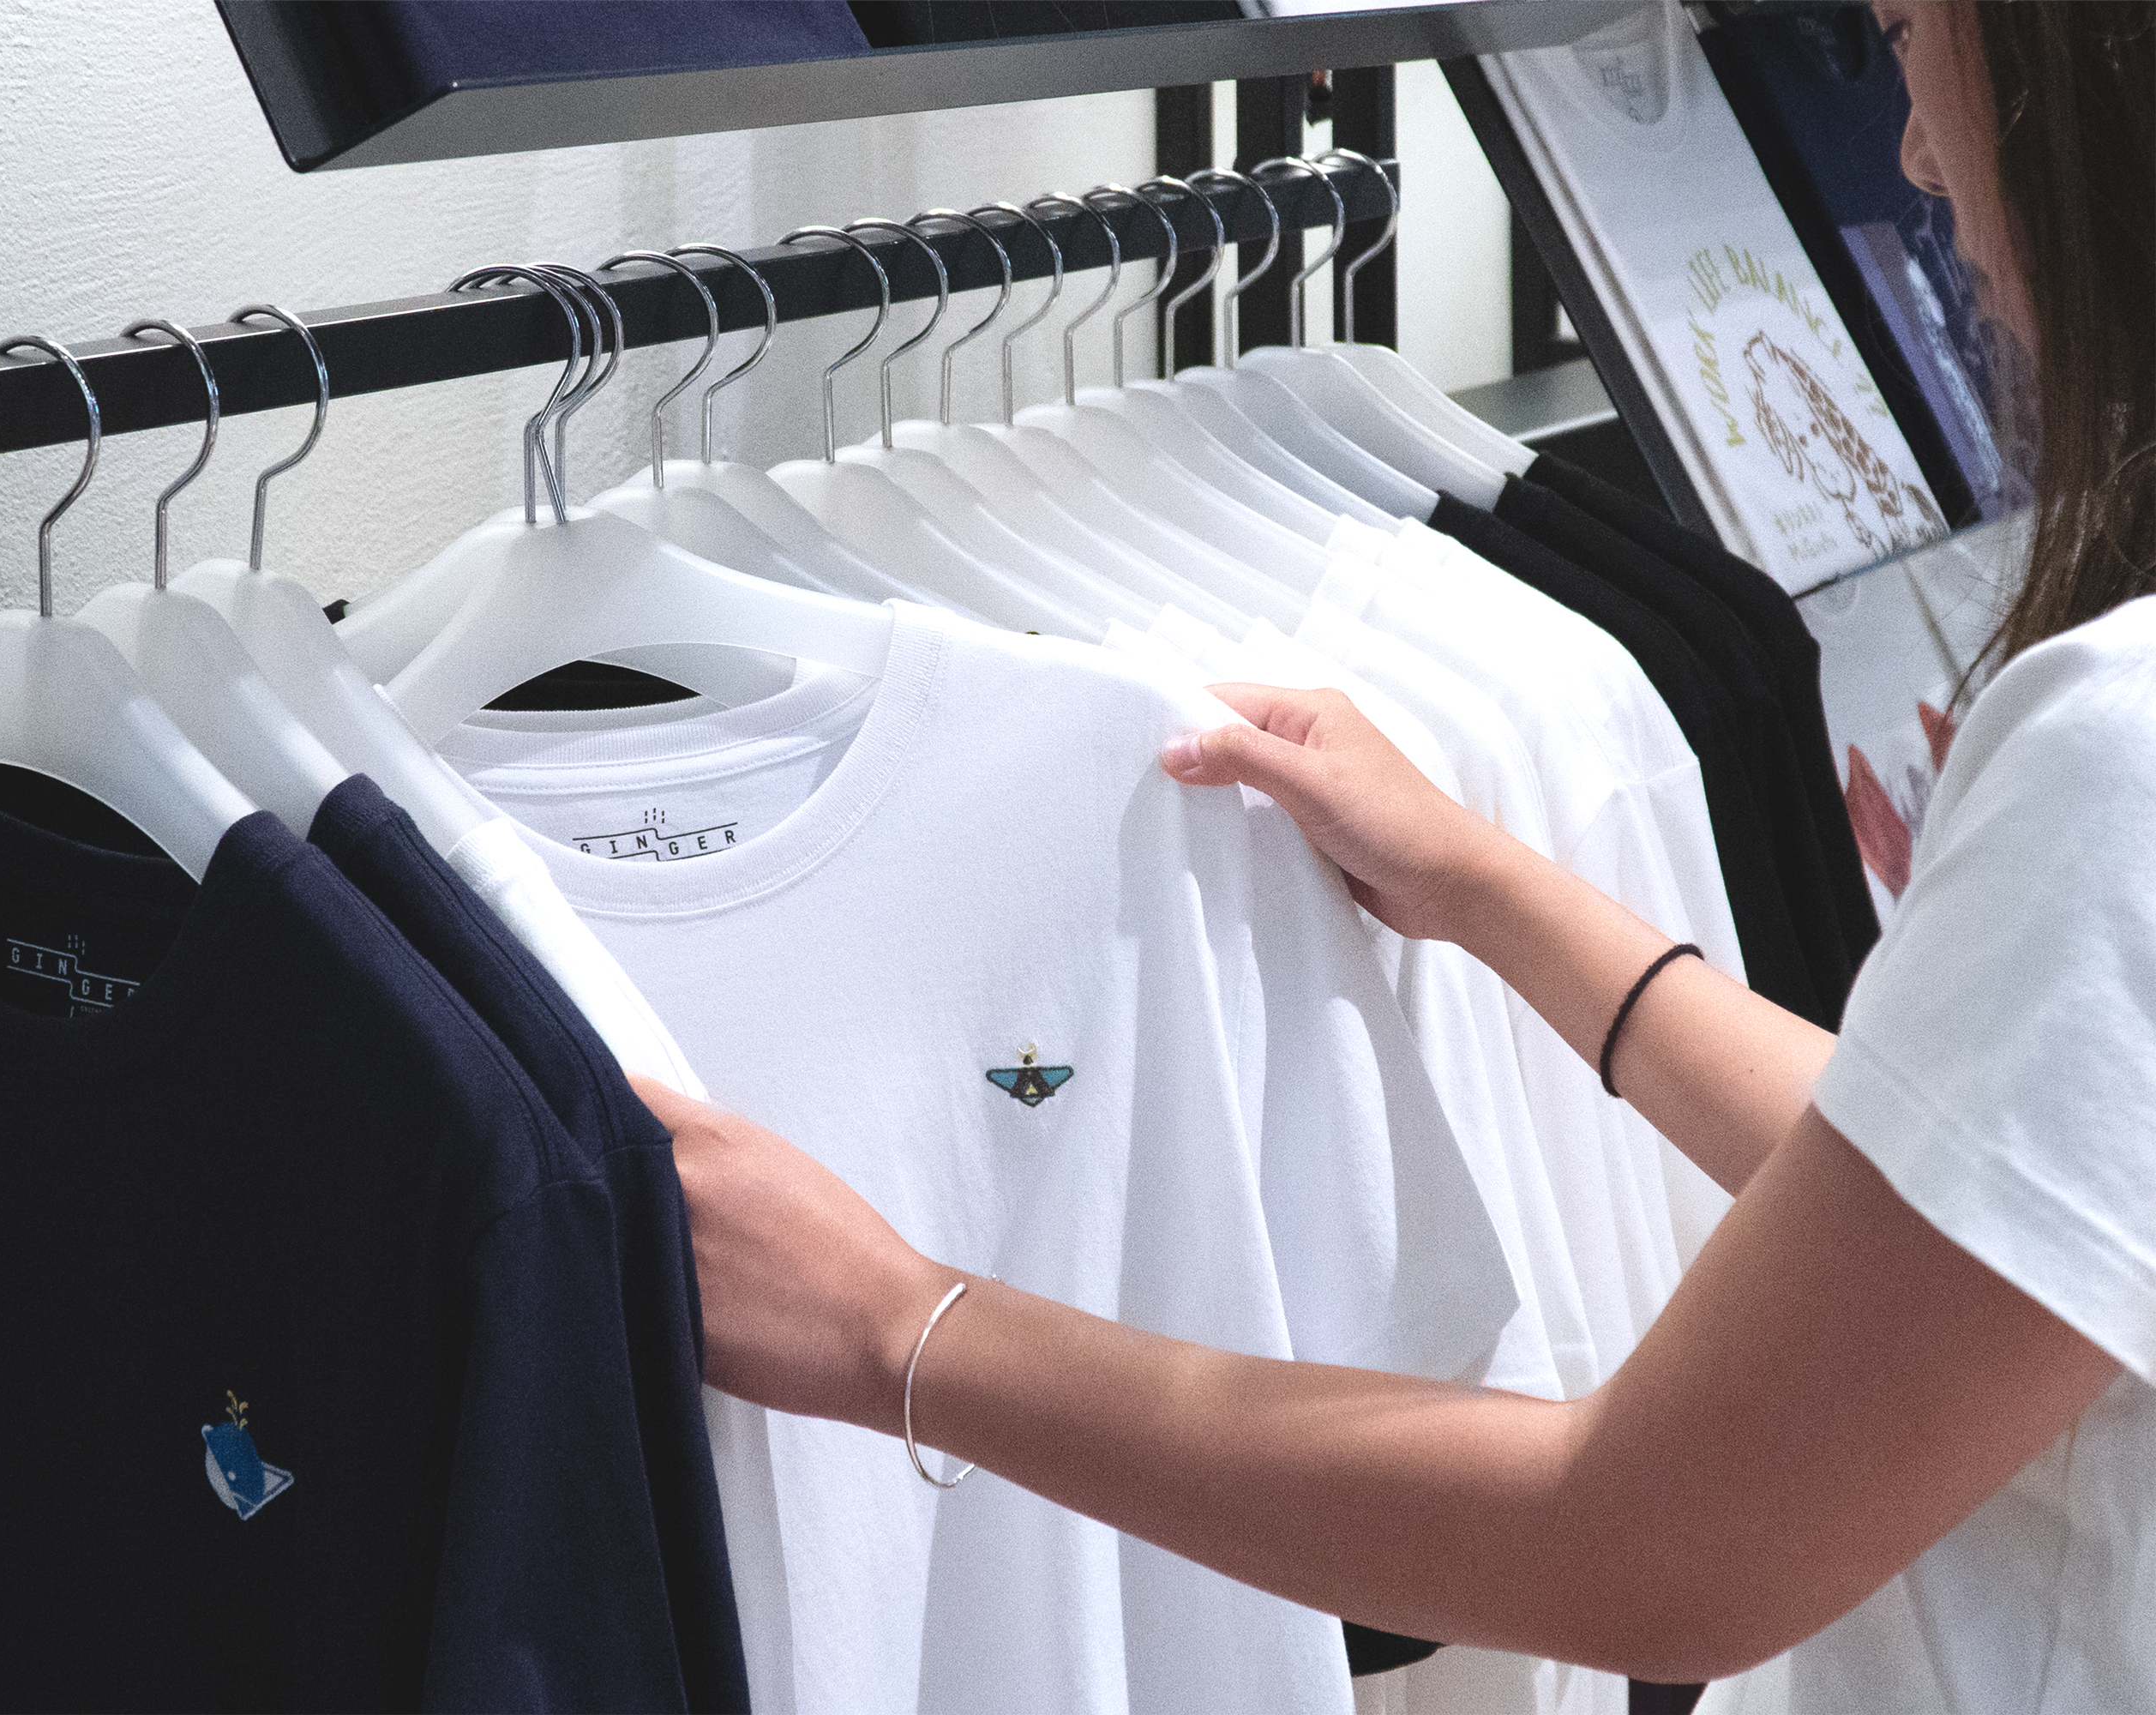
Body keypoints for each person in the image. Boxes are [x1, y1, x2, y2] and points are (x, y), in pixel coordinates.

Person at [628, 3, 2156, 1704]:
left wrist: (898, 1328)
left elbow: (1652, 1540)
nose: (1916, 150)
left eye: (1909, 32)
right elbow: (1992, 1197)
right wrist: (1489, 889)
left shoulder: (2118, 756)